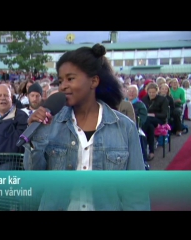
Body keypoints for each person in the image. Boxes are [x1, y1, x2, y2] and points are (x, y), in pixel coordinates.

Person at [23, 44, 149, 211]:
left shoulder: (124, 128)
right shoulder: (50, 123)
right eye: (60, 81)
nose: (63, 86)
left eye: (70, 78)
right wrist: (36, 135)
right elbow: (34, 180)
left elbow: (136, 192)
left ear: (93, 81)